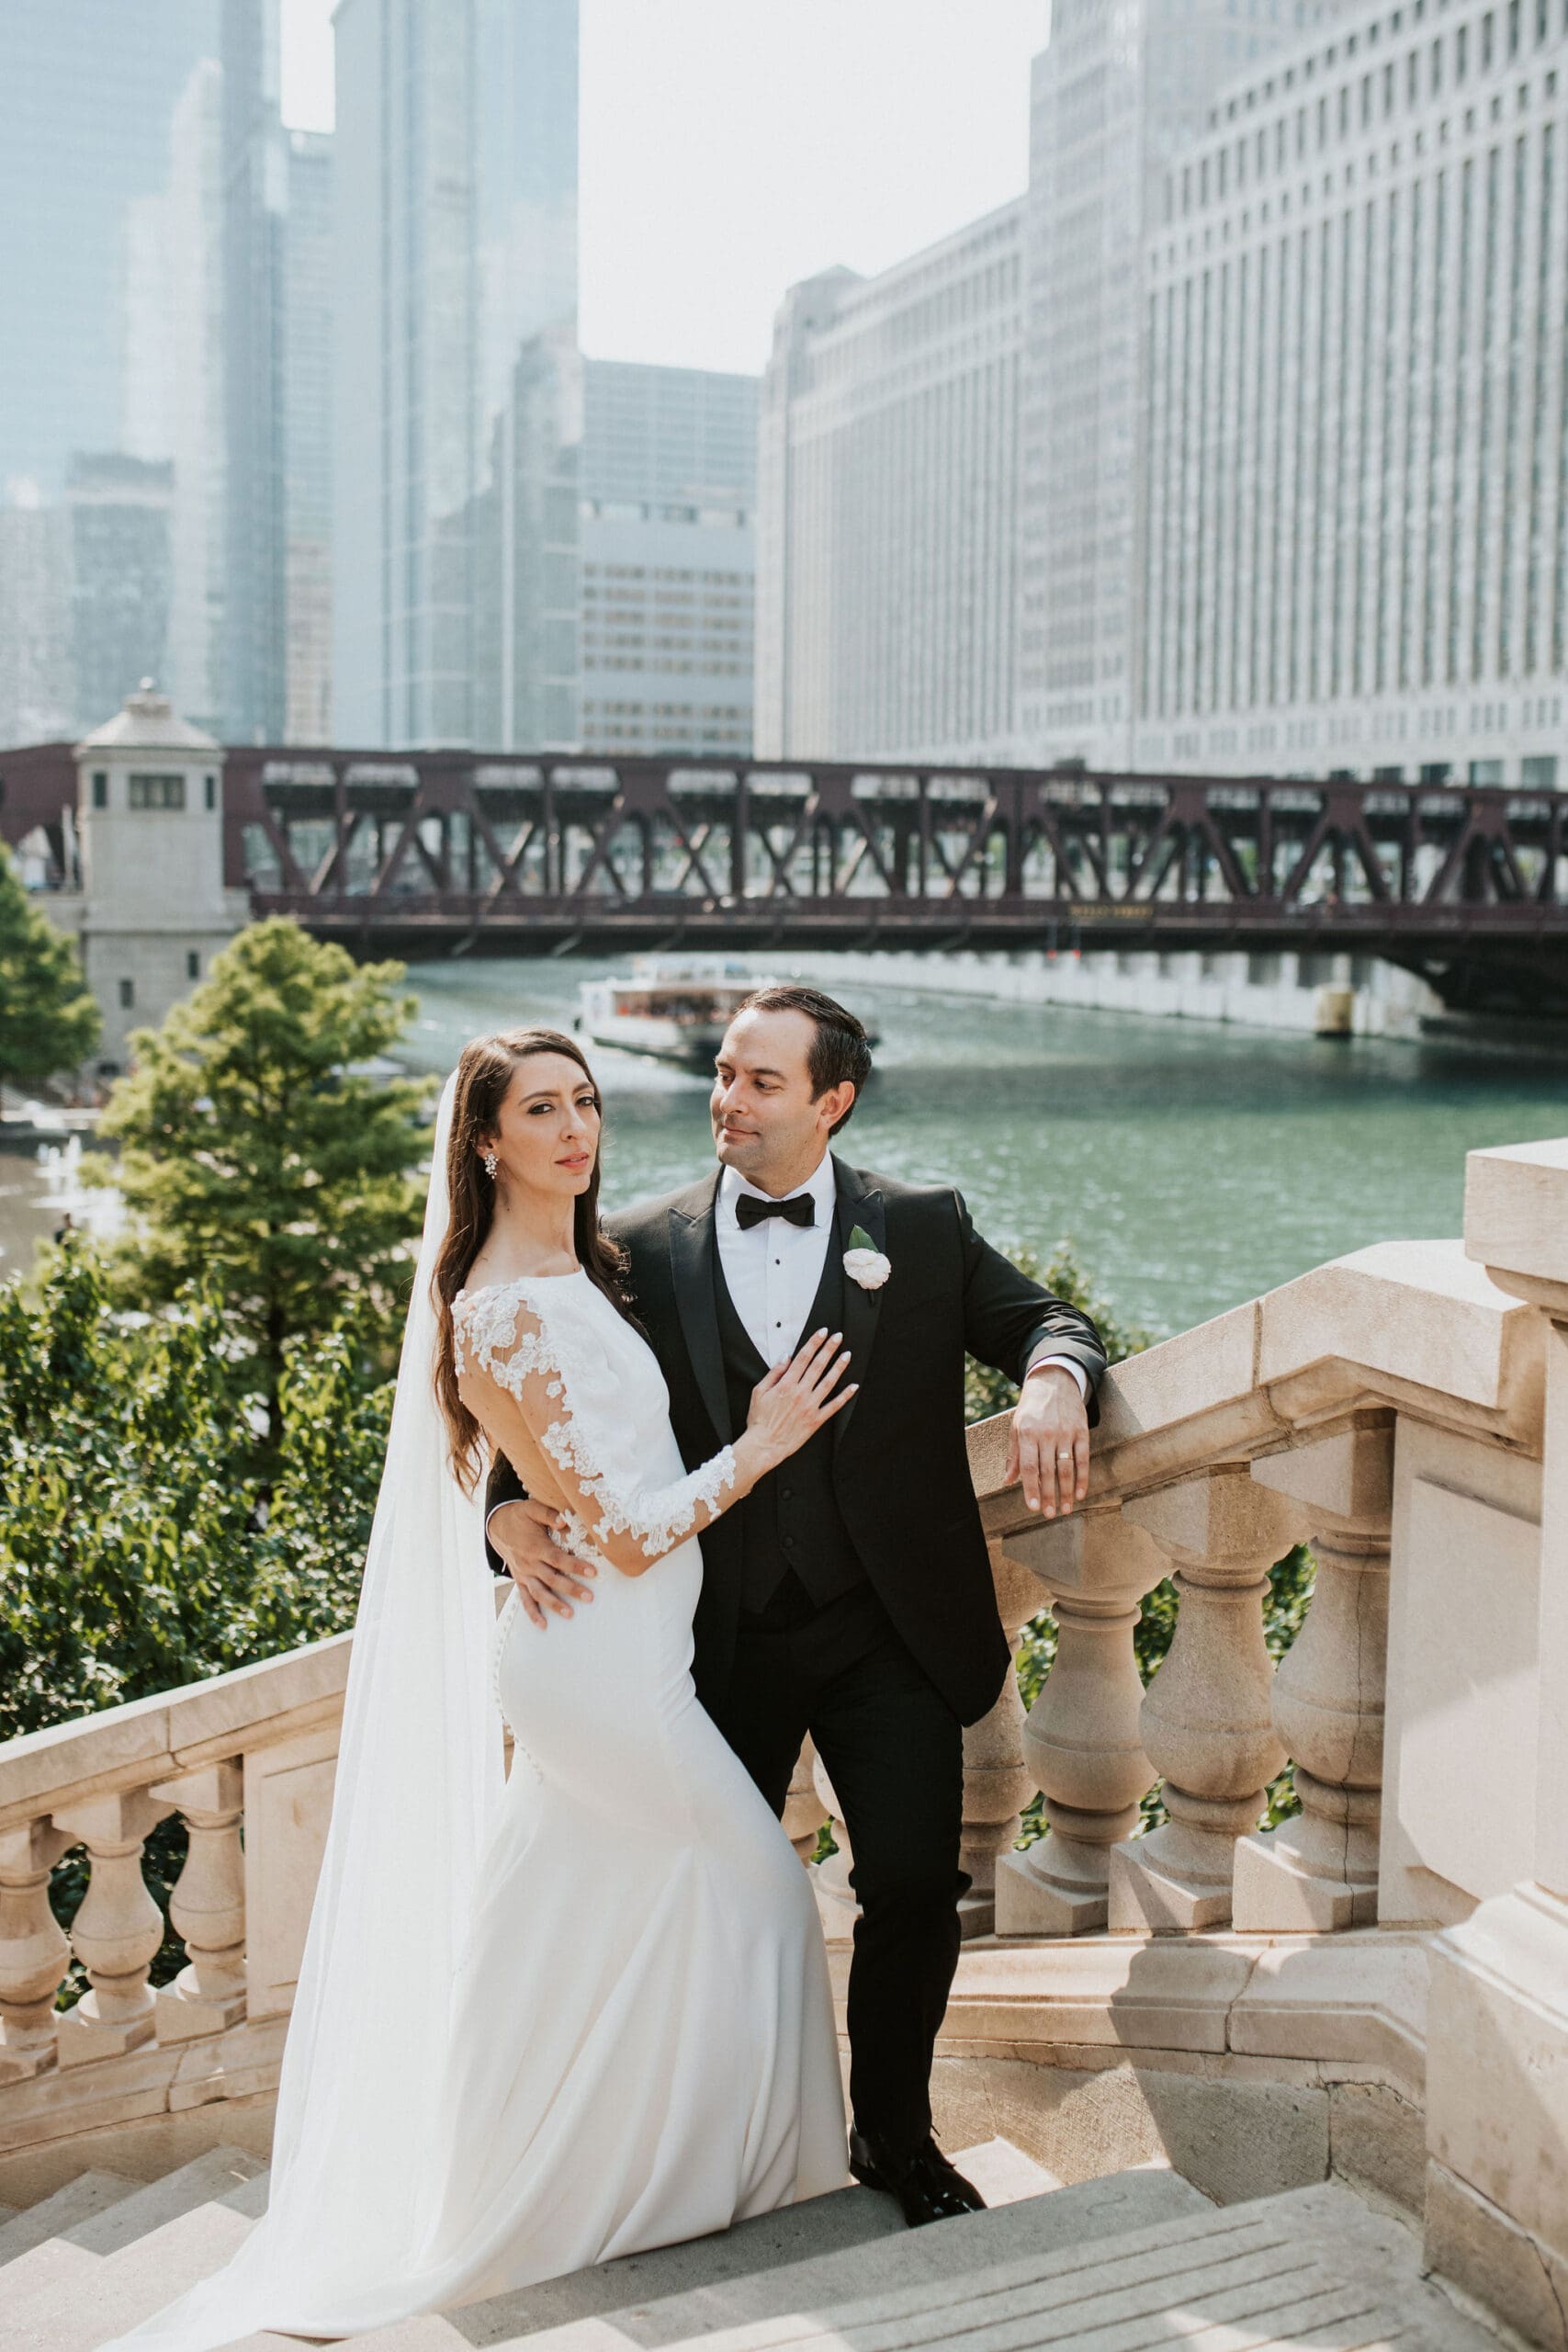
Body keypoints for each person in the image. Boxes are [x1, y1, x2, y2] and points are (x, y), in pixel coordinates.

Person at [102, 1027, 852, 2352]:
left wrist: (511, 1509)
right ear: (487, 1142)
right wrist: (764, 1445)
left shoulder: (578, 1266)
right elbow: (620, 1532)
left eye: (587, 1103)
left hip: (620, 1658)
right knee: (766, 1896)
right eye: (542, 1110)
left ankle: (557, 2188)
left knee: (568, 1930)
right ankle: (695, 2188)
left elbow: (544, 1468)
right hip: (605, 1672)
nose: (576, 1129)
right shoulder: (504, 1305)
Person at [487, 985, 1107, 2228]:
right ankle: (707, 2147)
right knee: (699, 1894)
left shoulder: (919, 1230)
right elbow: (562, 1417)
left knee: (916, 1891)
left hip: (890, 1636)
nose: (727, 1099)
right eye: (721, 1074)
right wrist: (500, 1515)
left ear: (833, 1100)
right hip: (711, 1645)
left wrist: (1053, 1383)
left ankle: (894, 2137)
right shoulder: (641, 1251)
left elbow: (1047, 1320)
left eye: (759, 1081)